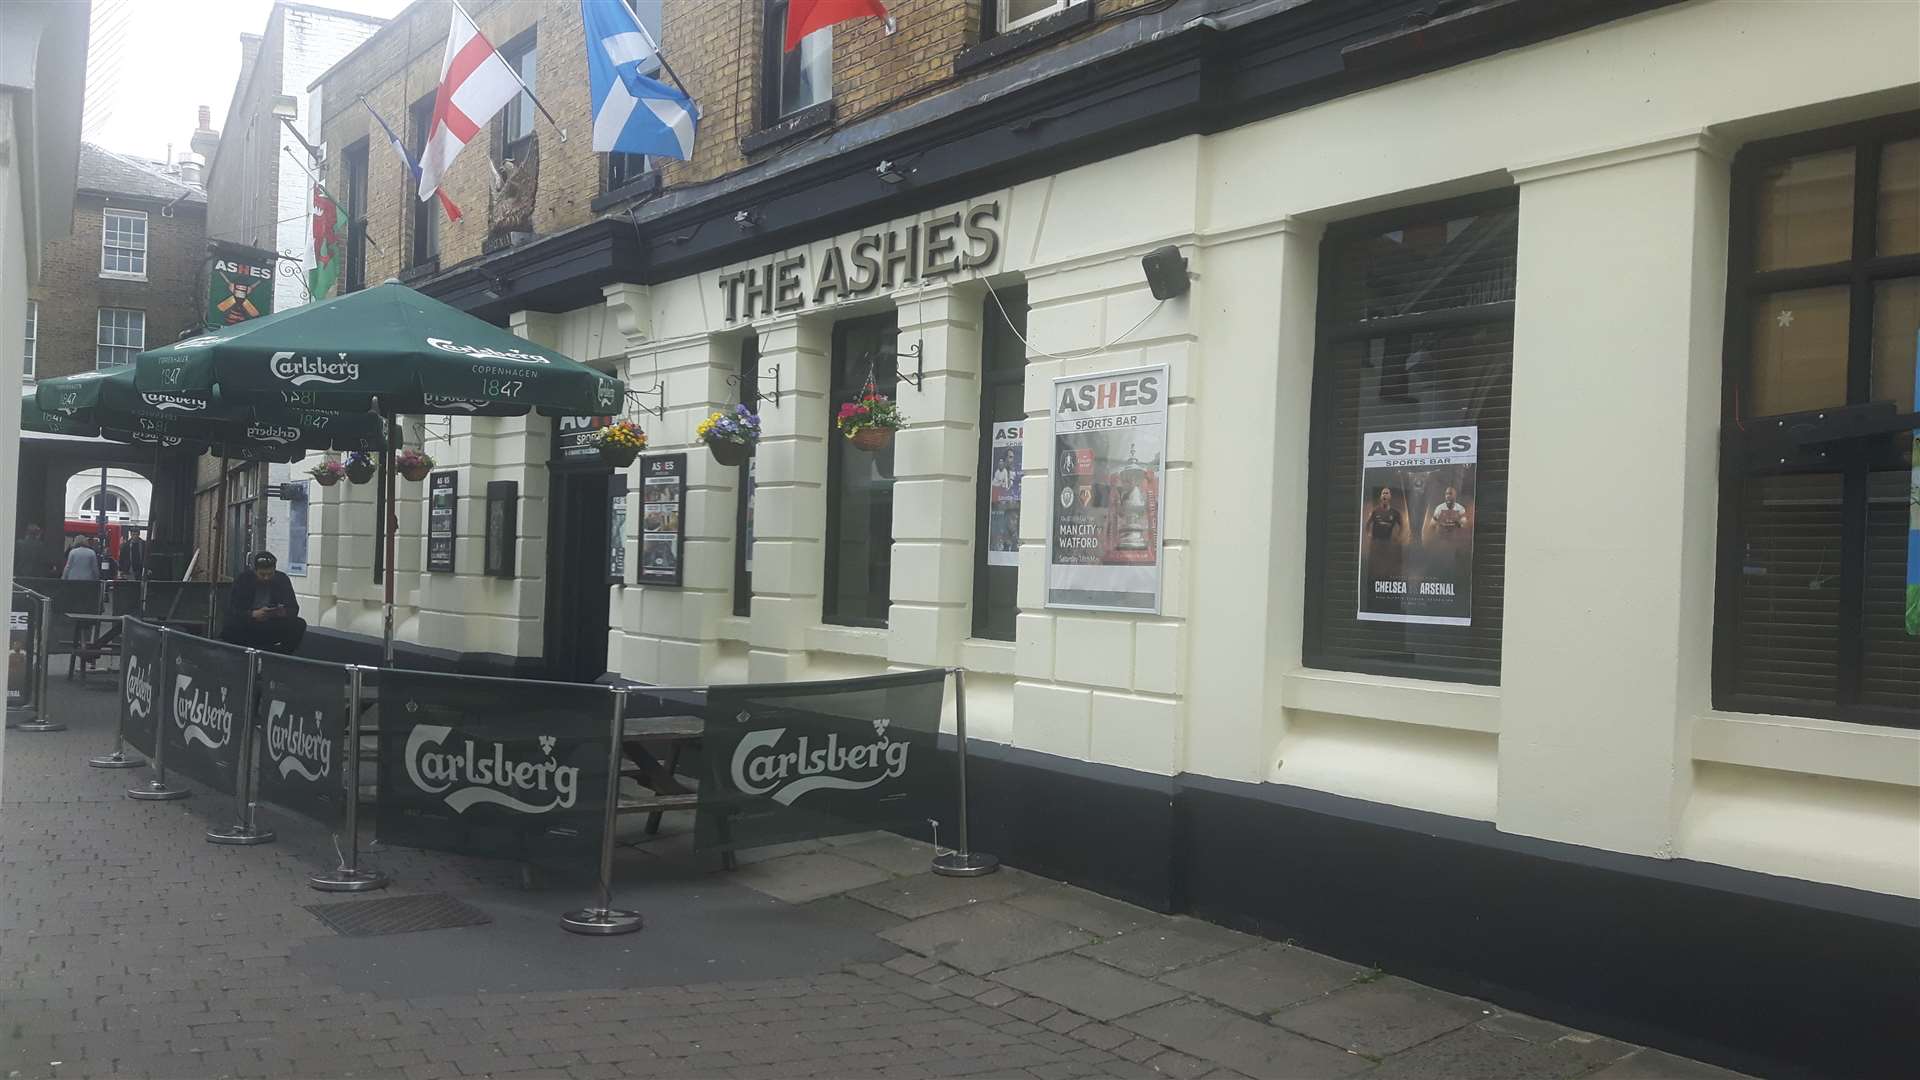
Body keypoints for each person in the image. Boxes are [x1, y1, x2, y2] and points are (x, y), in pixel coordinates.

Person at [222, 552, 305, 654]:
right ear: (255, 571)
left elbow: (294, 608)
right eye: (262, 574)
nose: (266, 578)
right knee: (232, 625)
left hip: (271, 623)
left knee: (299, 624)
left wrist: (283, 612)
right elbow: (232, 610)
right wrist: (252, 614)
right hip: (249, 623)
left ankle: (282, 655)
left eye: (270, 574)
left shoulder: (282, 579)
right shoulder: (243, 579)